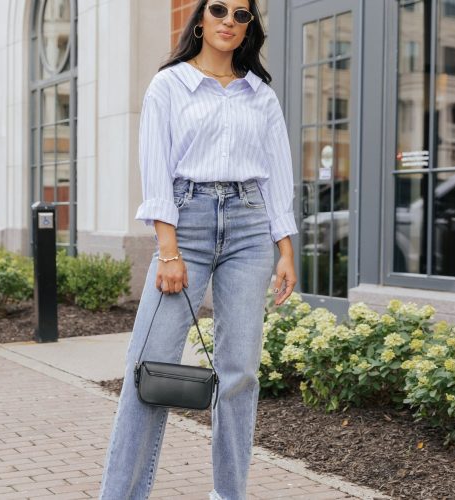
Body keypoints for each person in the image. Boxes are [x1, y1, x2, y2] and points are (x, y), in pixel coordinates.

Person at [99, 0, 298, 498]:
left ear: (250, 26)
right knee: (148, 364)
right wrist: (167, 248)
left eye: (242, 14)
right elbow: (157, 169)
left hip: (251, 228)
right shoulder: (170, 85)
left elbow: (278, 177)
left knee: (239, 374)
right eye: (219, 9)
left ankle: (229, 494)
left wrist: (286, 248)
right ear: (201, 19)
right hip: (186, 222)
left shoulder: (261, 95)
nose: (230, 20)